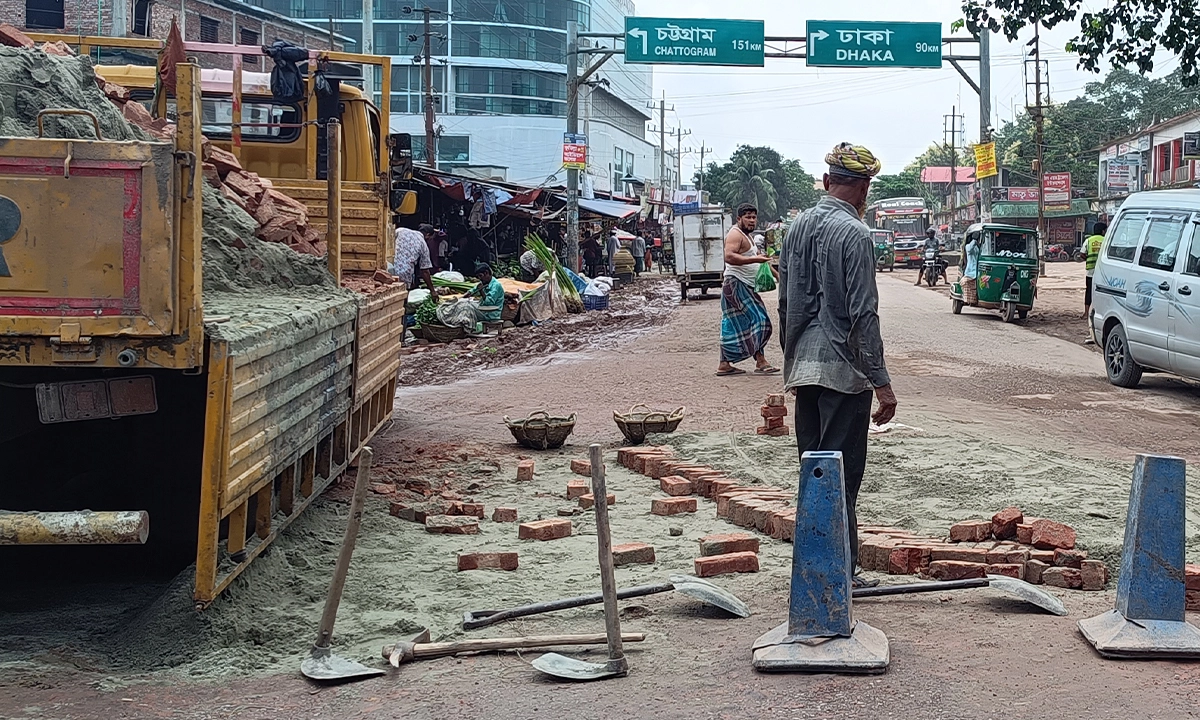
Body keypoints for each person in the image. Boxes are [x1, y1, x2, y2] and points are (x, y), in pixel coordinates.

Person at [778, 142, 898, 589]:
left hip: (804, 370)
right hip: (844, 375)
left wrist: (791, 360)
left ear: (827, 182)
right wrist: (881, 383)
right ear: (865, 189)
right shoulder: (856, 235)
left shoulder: (796, 228)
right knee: (841, 476)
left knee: (813, 471)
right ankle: (841, 571)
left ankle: (815, 565)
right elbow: (863, 315)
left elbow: (786, 302)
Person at [716, 202, 780, 376]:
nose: (752, 221)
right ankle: (760, 361)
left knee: (734, 324)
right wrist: (755, 261)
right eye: (748, 217)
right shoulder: (735, 234)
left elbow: (760, 259)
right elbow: (729, 256)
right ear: (739, 219)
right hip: (736, 284)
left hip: (745, 285)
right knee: (760, 321)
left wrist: (778, 276)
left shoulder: (748, 236)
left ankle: (727, 364)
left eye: (754, 217)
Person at [392, 222, 436, 295]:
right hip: (405, 275)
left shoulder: (401, 230)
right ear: (427, 235)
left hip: (389, 269)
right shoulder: (423, 244)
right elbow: (425, 270)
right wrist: (432, 291)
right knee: (401, 298)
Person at [1082, 221, 1107, 344]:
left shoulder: (1089, 240)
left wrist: (1087, 258)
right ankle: (1099, 312)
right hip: (1103, 272)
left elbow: (1082, 254)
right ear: (1103, 231)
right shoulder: (1106, 240)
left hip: (1090, 271)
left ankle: (1086, 312)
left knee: (1088, 291)